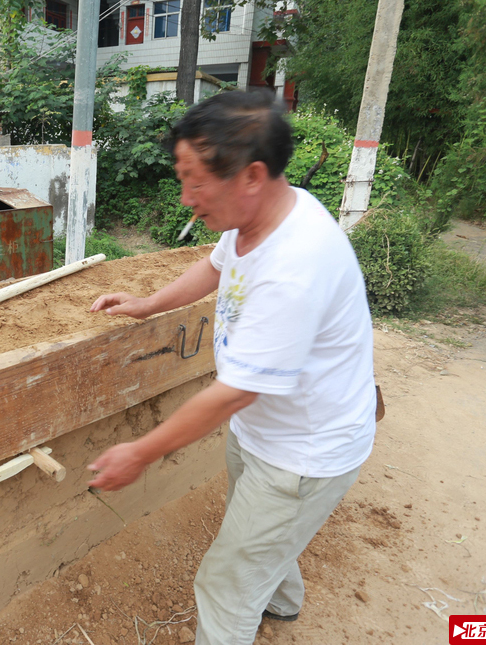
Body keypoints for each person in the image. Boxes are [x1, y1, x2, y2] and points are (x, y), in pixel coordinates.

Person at [87, 91, 376, 644]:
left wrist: (141, 452)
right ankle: (284, 601)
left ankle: (260, 603)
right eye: (183, 178)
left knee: (226, 584)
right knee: (262, 535)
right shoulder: (259, 217)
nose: (186, 197)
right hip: (269, 432)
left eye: (195, 181)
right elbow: (215, 267)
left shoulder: (296, 265)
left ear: (252, 175)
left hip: (303, 454)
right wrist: (146, 303)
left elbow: (233, 393)